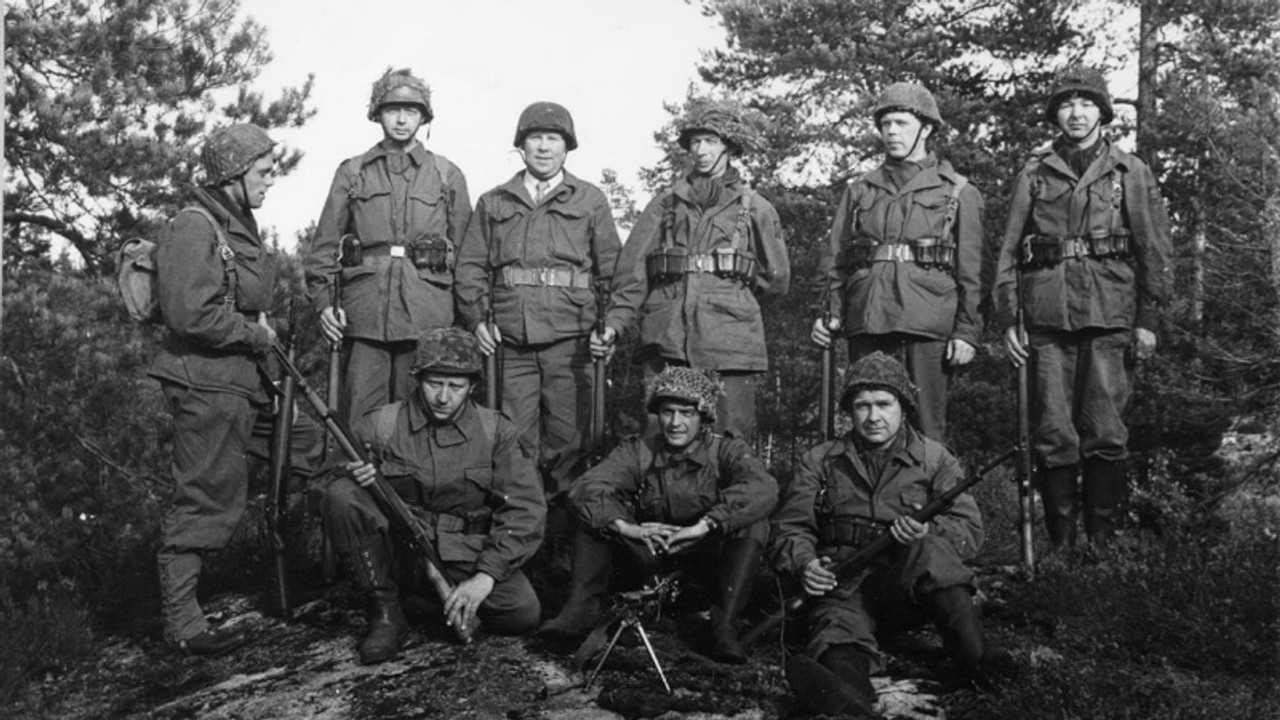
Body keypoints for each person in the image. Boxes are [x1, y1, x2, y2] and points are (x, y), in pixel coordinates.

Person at [149, 123, 323, 655]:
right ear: (233, 174)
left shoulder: (235, 224)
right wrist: (254, 333)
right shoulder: (194, 227)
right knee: (206, 494)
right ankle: (182, 623)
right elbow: (187, 312)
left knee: (307, 447)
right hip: (205, 383)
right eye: (264, 172)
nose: (271, 181)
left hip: (244, 381)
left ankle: (295, 564)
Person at [991, 66, 1173, 547]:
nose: (1076, 113)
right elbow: (1008, 251)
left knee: (1105, 430)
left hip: (1110, 315)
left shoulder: (1128, 171)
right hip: (1047, 319)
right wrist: (1009, 317)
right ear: (1056, 114)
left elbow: (1154, 248)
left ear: (1102, 112)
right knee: (1053, 433)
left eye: (1086, 103)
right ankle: (1061, 555)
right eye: (1067, 104)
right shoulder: (1034, 172)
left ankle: (1101, 552)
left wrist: (1148, 319)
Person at [771, 353, 1004, 717]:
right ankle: (847, 696)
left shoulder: (935, 460)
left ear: (904, 407)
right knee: (837, 631)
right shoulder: (820, 461)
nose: (873, 416)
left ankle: (977, 662)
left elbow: (969, 530)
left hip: (910, 593)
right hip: (844, 584)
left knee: (928, 549)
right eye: (862, 406)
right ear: (849, 411)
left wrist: (930, 531)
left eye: (884, 404)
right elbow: (791, 527)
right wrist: (806, 564)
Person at [320, 327, 545, 665]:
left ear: (472, 387)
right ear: (418, 379)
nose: (443, 397)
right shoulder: (382, 424)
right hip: (397, 551)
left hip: (461, 552)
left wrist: (485, 578)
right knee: (341, 494)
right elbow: (320, 483)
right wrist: (351, 475)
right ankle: (385, 612)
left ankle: (420, 602)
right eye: (433, 383)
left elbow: (525, 509)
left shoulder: (495, 430)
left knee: (521, 613)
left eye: (455, 387)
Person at [537, 367, 778, 664]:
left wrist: (705, 526)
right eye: (667, 412)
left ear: (703, 418)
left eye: (686, 413)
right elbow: (587, 488)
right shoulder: (640, 451)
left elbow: (762, 487)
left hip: (706, 566)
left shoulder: (725, 450)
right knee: (596, 514)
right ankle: (578, 613)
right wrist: (627, 528)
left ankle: (724, 625)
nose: (675, 423)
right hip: (649, 562)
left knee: (753, 520)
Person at [598, 96, 790, 445]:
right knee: (661, 437)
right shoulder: (664, 204)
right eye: (695, 142)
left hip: (730, 345)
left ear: (729, 146)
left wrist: (728, 297)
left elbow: (776, 279)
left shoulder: (756, 207)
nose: (700, 150)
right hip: (666, 339)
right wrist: (615, 324)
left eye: (711, 141)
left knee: (730, 440)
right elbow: (632, 274)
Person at [454, 101, 621, 499]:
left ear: (567, 148)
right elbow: (470, 268)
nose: (544, 148)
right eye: (535, 138)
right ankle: (518, 540)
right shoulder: (494, 202)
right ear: (521, 146)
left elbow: (616, 273)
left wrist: (611, 328)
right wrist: (479, 320)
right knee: (512, 442)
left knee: (572, 444)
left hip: (574, 341)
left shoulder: (590, 201)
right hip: (510, 343)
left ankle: (564, 543)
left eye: (553, 139)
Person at [812, 82, 985, 443]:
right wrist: (831, 313)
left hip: (927, 323)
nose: (891, 131)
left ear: (927, 128)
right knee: (869, 424)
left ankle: (928, 500)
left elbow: (972, 271)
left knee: (926, 429)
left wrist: (967, 331)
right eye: (885, 123)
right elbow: (836, 261)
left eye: (901, 123)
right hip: (869, 320)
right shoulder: (860, 190)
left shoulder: (958, 191)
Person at [304, 68, 472, 426]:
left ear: (423, 117)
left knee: (420, 422)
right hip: (364, 315)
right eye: (392, 109)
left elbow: (468, 257)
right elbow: (323, 251)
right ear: (377, 114)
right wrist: (323, 306)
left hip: (428, 317)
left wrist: (465, 321)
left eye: (411, 111)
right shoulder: (352, 172)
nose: (400, 119)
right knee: (359, 422)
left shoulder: (446, 175)